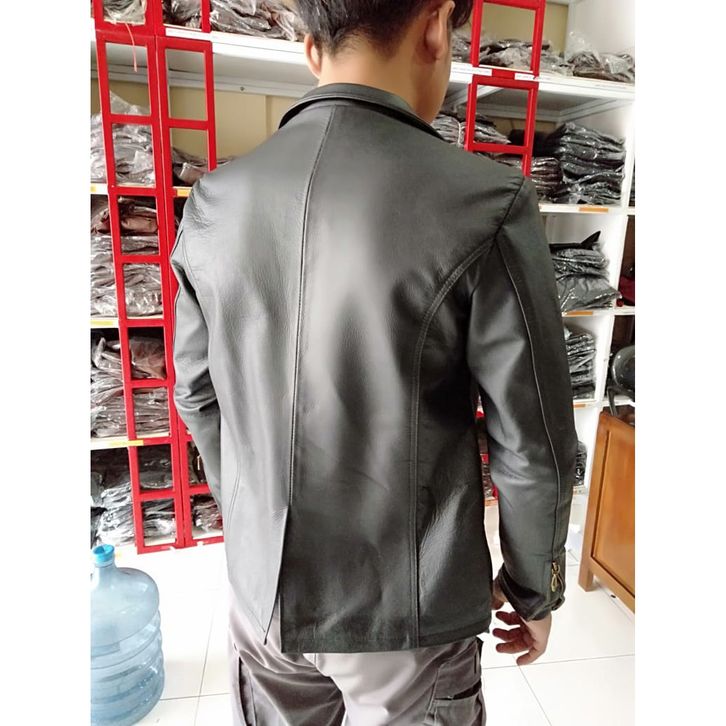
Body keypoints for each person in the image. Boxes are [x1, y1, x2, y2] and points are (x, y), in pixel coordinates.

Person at [171, 1, 577, 723]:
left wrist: (256, 528)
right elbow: (532, 438)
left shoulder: (213, 200)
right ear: (436, 25)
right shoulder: (485, 203)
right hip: (407, 618)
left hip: (262, 603)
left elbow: (198, 396)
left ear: (309, 49)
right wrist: (533, 587)